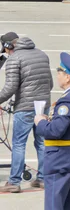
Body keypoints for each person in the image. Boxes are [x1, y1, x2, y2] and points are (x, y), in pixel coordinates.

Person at [34, 52, 70, 210]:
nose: (58, 76)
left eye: (59, 72)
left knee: (55, 205)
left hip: (61, 161)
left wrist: (40, 122)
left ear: (67, 77)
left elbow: (54, 131)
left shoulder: (68, 100)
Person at [0, 32, 52, 193]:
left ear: (9, 46)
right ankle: (43, 179)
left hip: (25, 107)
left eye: (5, 49)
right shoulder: (42, 54)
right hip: (43, 105)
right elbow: (49, 83)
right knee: (42, 142)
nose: (6, 52)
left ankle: (14, 182)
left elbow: (10, 88)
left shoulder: (14, 59)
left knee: (19, 144)